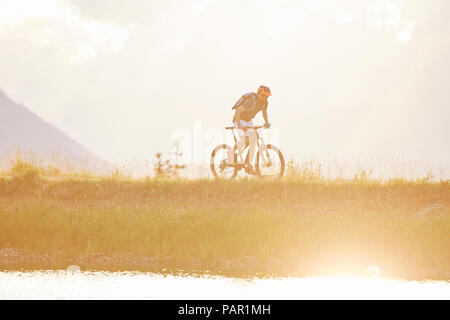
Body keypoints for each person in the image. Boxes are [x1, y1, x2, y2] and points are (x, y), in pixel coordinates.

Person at [231, 85, 272, 174]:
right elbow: (238, 111)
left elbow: (264, 113)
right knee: (246, 138)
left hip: (248, 120)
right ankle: (231, 153)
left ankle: (249, 165)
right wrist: (239, 124)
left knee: (253, 139)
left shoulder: (265, 103)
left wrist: (266, 121)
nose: (265, 98)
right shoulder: (251, 100)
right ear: (259, 93)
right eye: (264, 96)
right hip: (239, 119)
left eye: (267, 97)